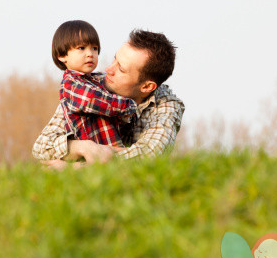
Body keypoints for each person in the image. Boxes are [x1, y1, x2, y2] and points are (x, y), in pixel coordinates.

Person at [33, 28, 185, 167]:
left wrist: (75, 168)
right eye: (115, 60)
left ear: (146, 87)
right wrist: (83, 147)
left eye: (121, 69)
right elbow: (41, 147)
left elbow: (149, 154)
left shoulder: (167, 105)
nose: (108, 70)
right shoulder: (89, 88)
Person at [52, 20, 138, 148]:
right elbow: (92, 99)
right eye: (81, 48)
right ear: (62, 55)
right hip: (93, 152)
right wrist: (128, 105)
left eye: (94, 48)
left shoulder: (97, 79)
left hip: (113, 146)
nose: (90, 54)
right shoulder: (70, 84)